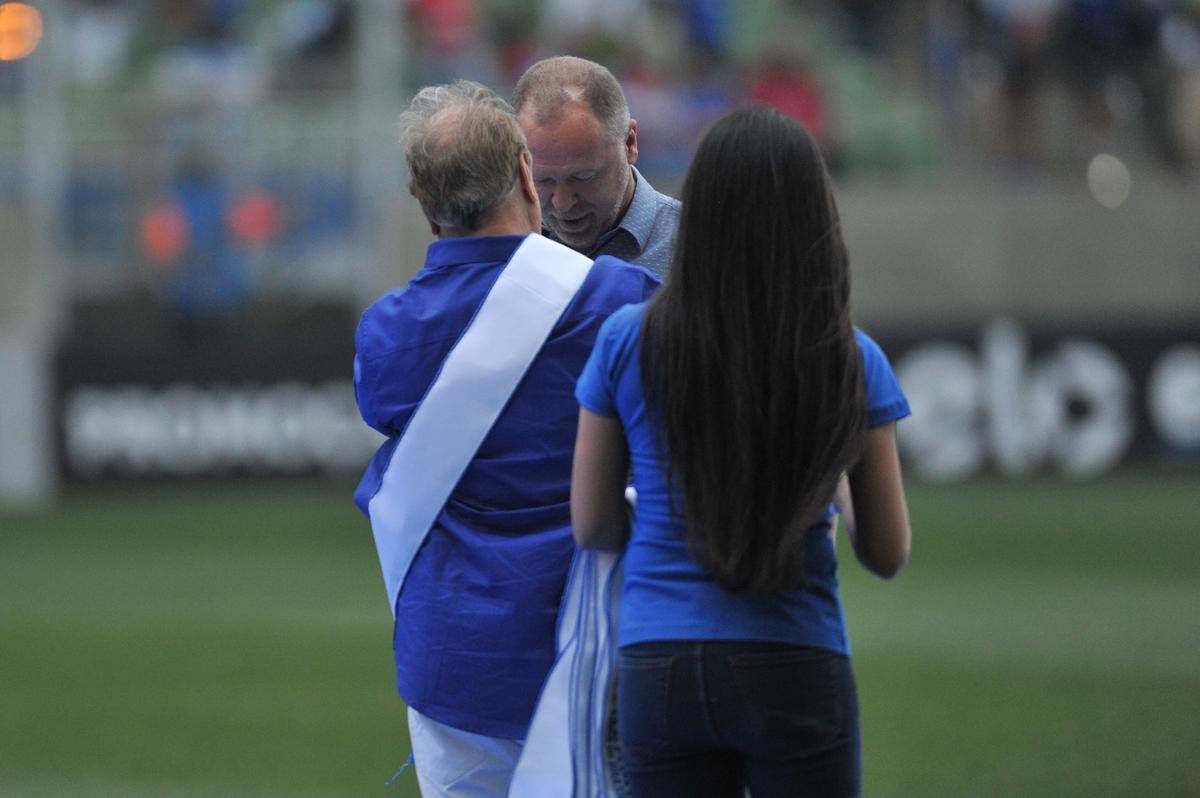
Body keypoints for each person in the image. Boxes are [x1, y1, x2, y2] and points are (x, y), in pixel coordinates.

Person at [569, 105, 913, 797]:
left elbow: (593, 524)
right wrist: (835, 492)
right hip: (797, 654)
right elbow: (886, 552)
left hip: (658, 660)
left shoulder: (626, 340)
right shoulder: (851, 357)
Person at [353, 80, 659, 796]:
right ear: (526, 170)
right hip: (590, 650)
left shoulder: (388, 334)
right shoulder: (619, 301)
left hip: (452, 657)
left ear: (423, 201)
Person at [513, 55, 680, 279]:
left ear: (630, 143)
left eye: (582, 177)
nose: (562, 204)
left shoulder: (700, 247)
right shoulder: (504, 250)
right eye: (542, 180)